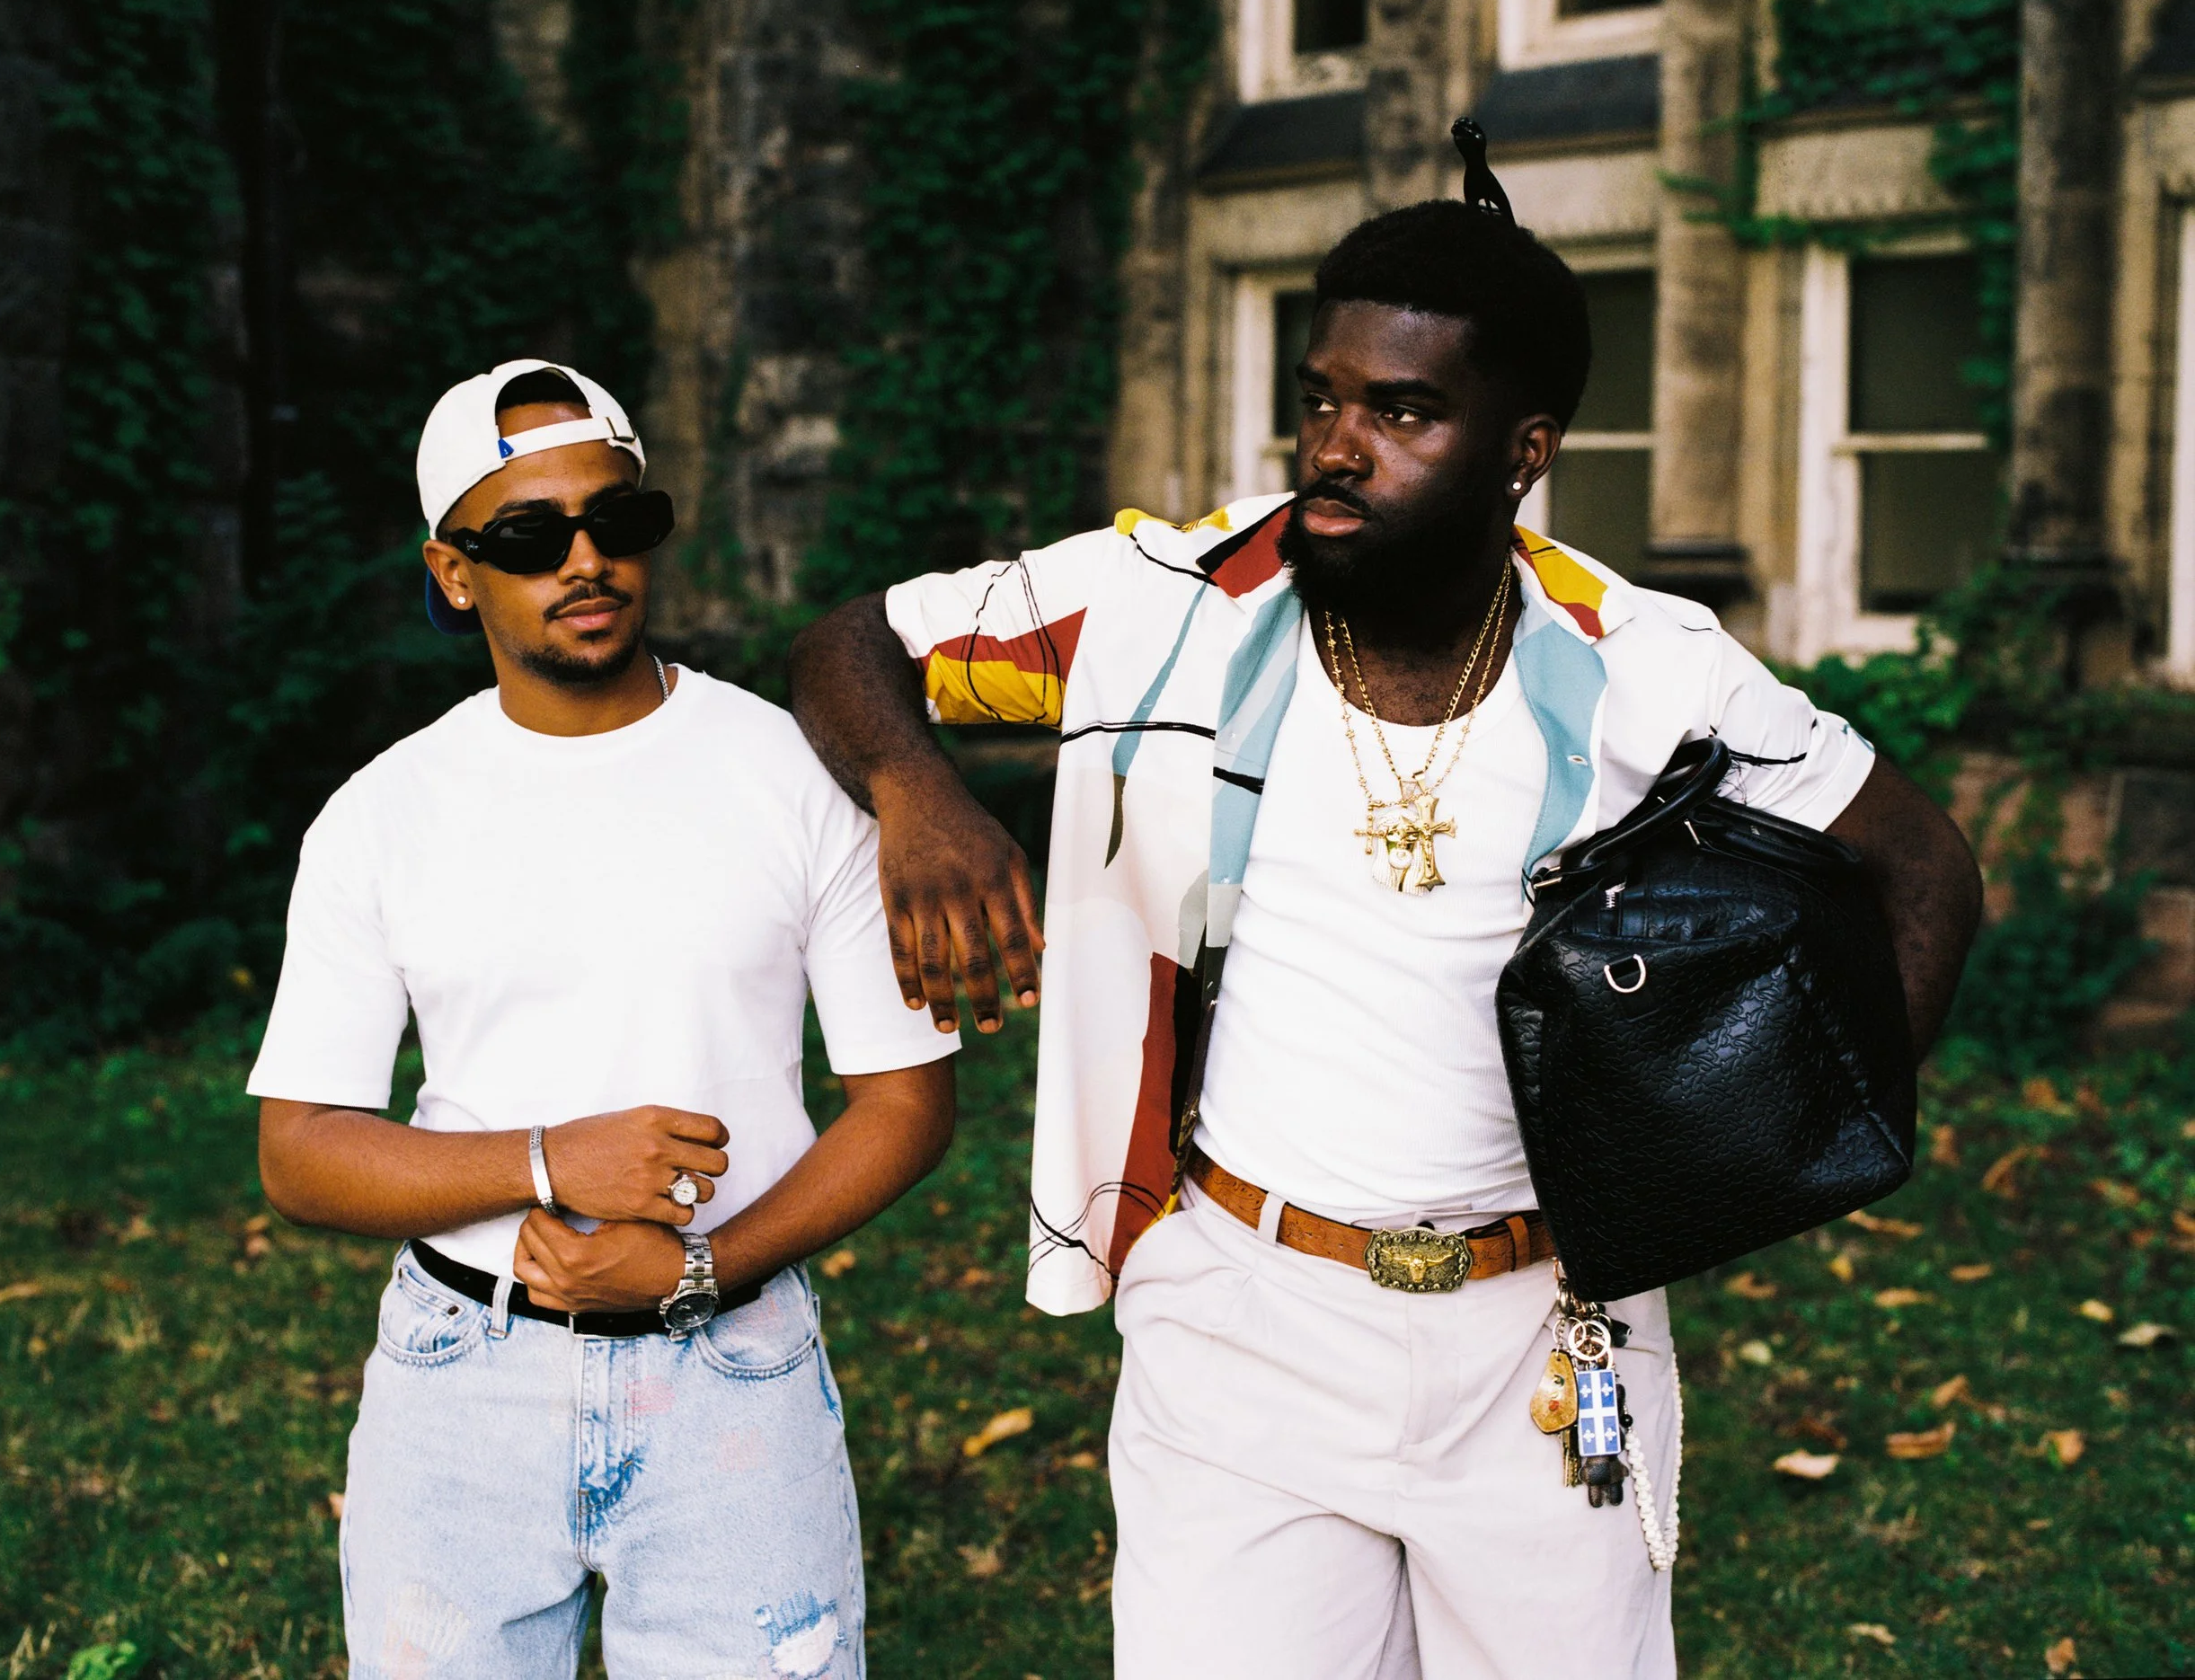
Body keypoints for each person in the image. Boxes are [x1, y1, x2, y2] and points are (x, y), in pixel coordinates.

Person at [787, 201, 1982, 1677]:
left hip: (1547, 1333)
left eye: (1403, 411)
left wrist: (1766, 1149)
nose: (1338, 448)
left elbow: (1921, 865)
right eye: (1322, 400)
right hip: (1241, 1312)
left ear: (1524, 450)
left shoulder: (1641, 666)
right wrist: (925, 798)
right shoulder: (1164, 602)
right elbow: (853, 646)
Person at [248, 358, 953, 1680]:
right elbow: (299, 1149)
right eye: (529, 536)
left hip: (735, 1370)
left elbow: (909, 1101)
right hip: (463, 1375)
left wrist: (706, 1262)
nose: (585, 559)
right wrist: (545, 1160)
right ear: (455, 572)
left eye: (615, 521)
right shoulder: (383, 814)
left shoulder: (792, 776)